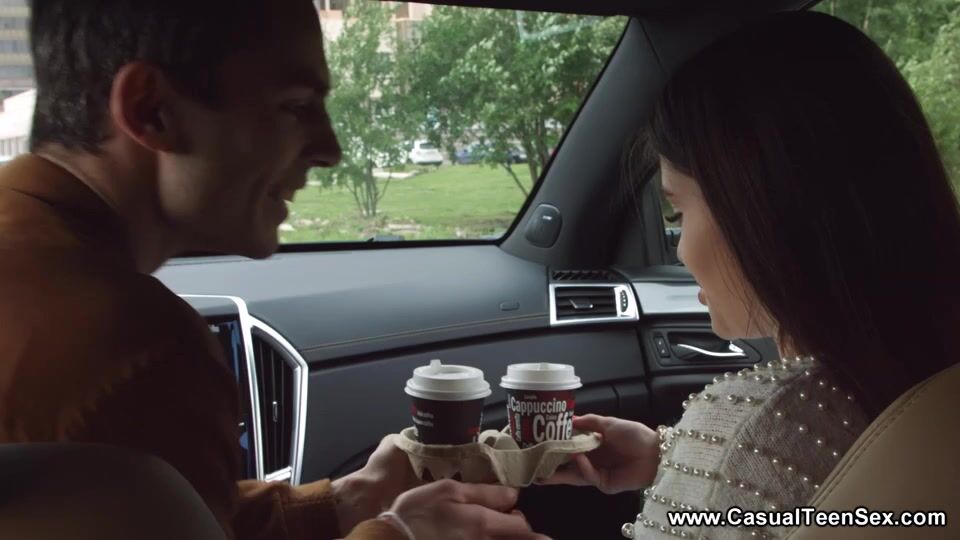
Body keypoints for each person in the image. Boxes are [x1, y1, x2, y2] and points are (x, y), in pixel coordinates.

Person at [0, 1, 547, 539]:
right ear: (152, 110)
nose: (330, 150)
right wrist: (400, 535)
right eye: (295, 106)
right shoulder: (131, 348)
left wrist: (348, 503)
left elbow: (163, 514)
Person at [542, 11, 960, 539]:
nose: (680, 250)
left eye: (678, 211)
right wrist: (678, 455)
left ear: (762, 211)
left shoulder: (764, 424)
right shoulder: (931, 380)